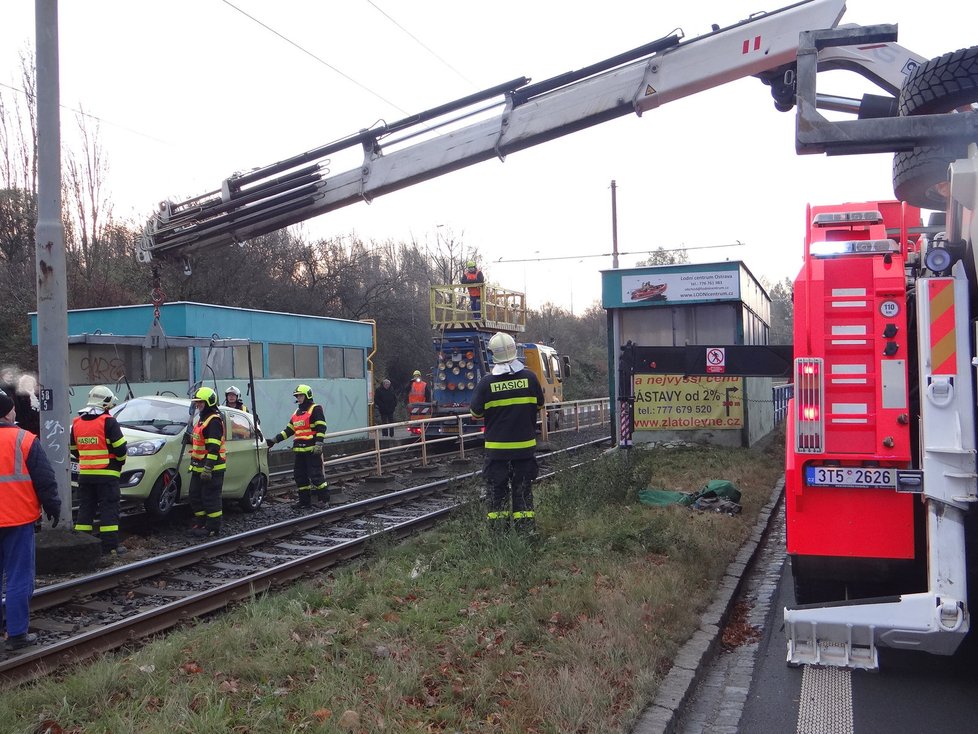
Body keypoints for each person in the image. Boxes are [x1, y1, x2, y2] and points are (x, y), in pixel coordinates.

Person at [0, 388, 61, 651]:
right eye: (12, 407)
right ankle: (16, 635)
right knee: (18, 577)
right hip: (17, 519)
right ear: (6, 411)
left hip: (16, 518)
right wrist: (53, 506)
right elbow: (44, 479)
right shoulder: (23, 439)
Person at [469, 332, 544, 532]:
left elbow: (475, 413)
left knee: (496, 495)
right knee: (523, 493)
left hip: (497, 452)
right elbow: (539, 405)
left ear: (493, 354)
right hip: (525, 451)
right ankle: (526, 532)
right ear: (514, 350)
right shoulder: (530, 378)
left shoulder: (486, 383)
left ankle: (498, 536)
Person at [70, 385, 128, 555]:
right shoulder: (108, 421)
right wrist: (119, 463)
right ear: (105, 403)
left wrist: (87, 460)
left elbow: (74, 448)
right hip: (107, 474)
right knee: (109, 509)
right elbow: (120, 449)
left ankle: (83, 544)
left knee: (85, 509)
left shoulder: (77, 422)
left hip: (86, 475)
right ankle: (109, 546)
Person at [266, 384, 329, 508]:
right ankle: (304, 502)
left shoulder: (315, 409)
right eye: (297, 396)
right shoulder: (296, 413)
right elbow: (288, 431)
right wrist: (274, 440)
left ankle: (324, 500)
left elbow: (321, 427)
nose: (298, 398)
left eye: (300, 395)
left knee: (316, 476)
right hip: (299, 451)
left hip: (312, 450)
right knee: (300, 477)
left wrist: (319, 444)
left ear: (307, 396)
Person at [186, 387, 226, 537]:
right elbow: (201, 440)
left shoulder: (214, 421)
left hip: (212, 468)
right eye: (197, 402)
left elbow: (214, 447)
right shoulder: (202, 419)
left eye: (201, 402)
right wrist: (190, 439)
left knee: (210, 498)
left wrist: (208, 468)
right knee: (195, 495)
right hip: (198, 466)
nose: (198, 405)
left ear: (209, 402)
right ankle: (201, 523)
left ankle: (212, 528)